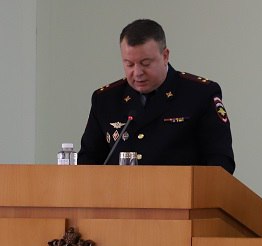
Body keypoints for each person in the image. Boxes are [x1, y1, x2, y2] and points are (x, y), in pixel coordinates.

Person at [78, 19, 235, 172]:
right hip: (119, 190)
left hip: (180, 189)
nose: (137, 73)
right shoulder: (105, 100)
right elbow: (87, 161)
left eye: (146, 63)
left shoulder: (200, 94)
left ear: (165, 56)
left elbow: (221, 162)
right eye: (129, 64)